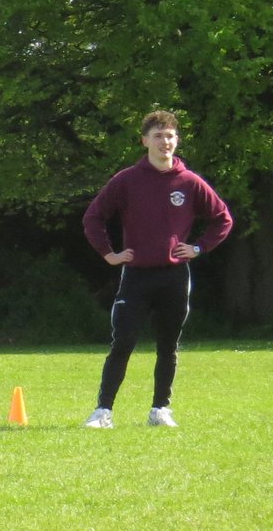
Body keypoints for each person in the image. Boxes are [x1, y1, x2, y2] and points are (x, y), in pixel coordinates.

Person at [81, 110, 233, 428]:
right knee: (123, 342)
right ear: (145, 141)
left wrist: (198, 247)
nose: (166, 142)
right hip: (136, 275)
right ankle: (102, 412)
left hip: (174, 277)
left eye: (170, 136)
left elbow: (223, 218)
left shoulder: (190, 182)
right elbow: (93, 217)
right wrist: (109, 253)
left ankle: (160, 410)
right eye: (159, 136)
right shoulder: (127, 180)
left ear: (177, 141)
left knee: (168, 345)